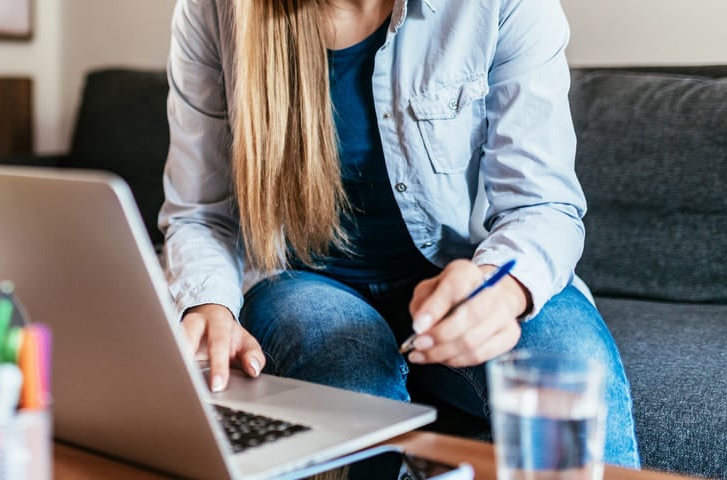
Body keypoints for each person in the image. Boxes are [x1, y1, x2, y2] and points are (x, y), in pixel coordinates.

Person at [159, 0, 640, 467]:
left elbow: (541, 205)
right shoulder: (212, 10)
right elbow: (201, 213)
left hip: (469, 270)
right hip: (302, 282)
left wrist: (501, 288)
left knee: (575, 368)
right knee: (348, 375)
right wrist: (208, 303)